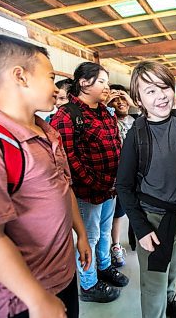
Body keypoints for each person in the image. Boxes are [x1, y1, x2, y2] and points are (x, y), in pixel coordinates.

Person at [0, 34, 91, 318]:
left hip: (62, 277)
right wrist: (37, 299)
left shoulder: (47, 131)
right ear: (20, 76)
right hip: (23, 297)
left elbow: (64, 189)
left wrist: (81, 233)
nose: (56, 88)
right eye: (50, 77)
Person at [116, 61, 176, 318]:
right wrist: (141, 228)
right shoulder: (137, 135)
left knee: (174, 267)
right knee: (153, 283)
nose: (161, 96)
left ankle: (170, 302)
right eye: (150, 91)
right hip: (152, 219)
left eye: (164, 87)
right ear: (138, 99)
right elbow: (123, 186)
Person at [50, 62, 129, 303]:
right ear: (84, 83)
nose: (107, 87)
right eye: (102, 81)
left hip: (109, 189)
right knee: (89, 236)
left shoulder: (103, 111)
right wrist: (95, 183)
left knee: (105, 231)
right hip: (88, 193)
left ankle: (103, 267)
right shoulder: (67, 115)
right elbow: (68, 159)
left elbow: (115, 143)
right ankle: (88, 284)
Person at [106, 83, 136, 267]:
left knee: (139, 210)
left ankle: (137, 240)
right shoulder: (109, 121)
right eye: (115, 100)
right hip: (118, 177)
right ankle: (115, 245)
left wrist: (130, 100)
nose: (120, 103)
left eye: (122, 98)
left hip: (137, 175)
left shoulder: (136, 119)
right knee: (118, 213)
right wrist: (107, 104)